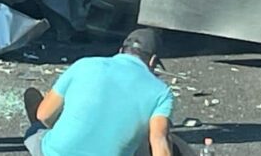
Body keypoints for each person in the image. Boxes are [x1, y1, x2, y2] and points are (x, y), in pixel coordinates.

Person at [23, 28, 175, 156]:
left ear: (121, 50)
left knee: (32, 98)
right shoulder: (161, 93)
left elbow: (43, 115)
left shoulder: (84, 64)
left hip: (54, 152)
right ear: (152, 61)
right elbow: (158, 141)